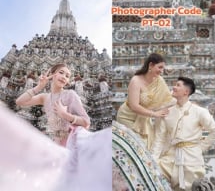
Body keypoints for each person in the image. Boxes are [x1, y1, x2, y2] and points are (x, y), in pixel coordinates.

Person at [0, 63, 113, 191]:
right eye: (61, 72)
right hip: (55, 142)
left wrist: (65, 115)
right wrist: (39, 86)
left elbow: (86, 122)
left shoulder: (70, 95)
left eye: (67, 76)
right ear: (52, 74)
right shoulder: (45, 97)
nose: (64, 77)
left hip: (73, 139)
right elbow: (20, 102)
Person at [151, 77, 215, 190]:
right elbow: (159, 139)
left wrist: (200, 148)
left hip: (192, 159)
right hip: (170, 159)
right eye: (175, 84)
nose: (174, 87)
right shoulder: (167, 112)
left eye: (178, 85)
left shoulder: (199, 112)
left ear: (186, 92)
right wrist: (152, 161)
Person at [116, 52, 175, 149]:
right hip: (127, 117)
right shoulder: (136, 80)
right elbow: (134, 106)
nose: (162, 71)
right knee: (135, 148)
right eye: (160, 67)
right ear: (151, 65)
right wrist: (154, 114)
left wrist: (187, 104)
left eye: (163, 68)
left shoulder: (159, 80)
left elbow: (168, 99)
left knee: (149, 147)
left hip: (144, 118)